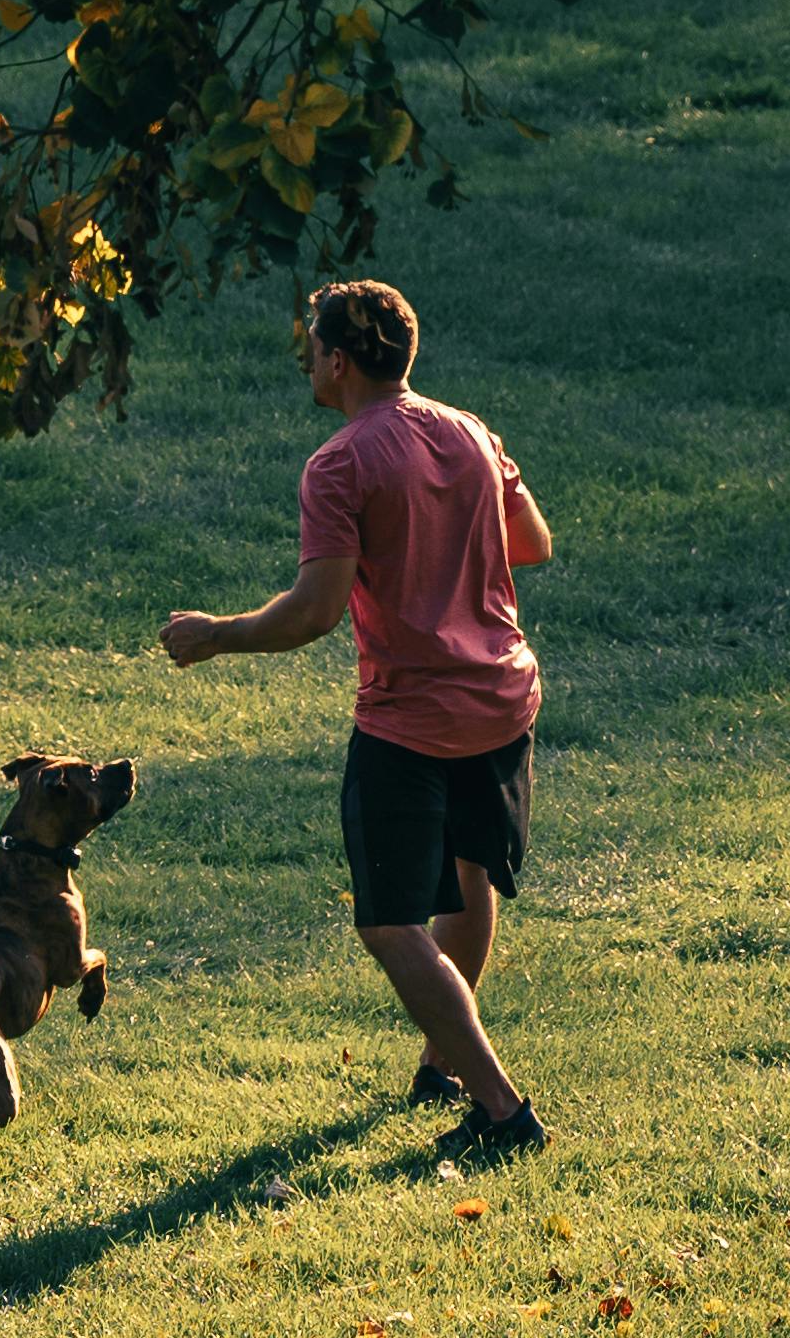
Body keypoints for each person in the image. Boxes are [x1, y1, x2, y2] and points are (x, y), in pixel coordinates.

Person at [160, 276, 553, 1155]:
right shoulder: (471, 432)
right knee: (469, 879)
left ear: (338, 361)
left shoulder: (340, 463)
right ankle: (441, 1064)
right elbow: (531, 541)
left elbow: (314, 610)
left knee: (387, 921)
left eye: (310, 345)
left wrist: (214, 635)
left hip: (412, 716)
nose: (306, 358)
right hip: (500, 698)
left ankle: (501, 1109)